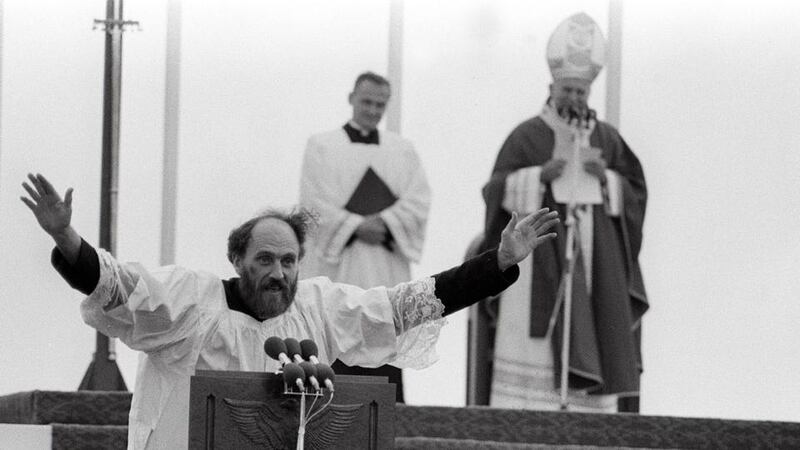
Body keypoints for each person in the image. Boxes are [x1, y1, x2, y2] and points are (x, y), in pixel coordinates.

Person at [20, 172, 558, 449]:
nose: (278, 273)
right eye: (264, 259)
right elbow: (116, 286)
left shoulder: (320, 308)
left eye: (288, 260)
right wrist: (66, 235)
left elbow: (408, 305)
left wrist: (498, 263)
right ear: (237, 259)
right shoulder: (187, 303)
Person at [481, 13, 647, 413]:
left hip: (593, 259)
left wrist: (606, 179)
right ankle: (524, 412)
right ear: (552, 87)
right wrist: (539, 176)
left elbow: (636, 188)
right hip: (538, 256)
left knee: (595, 326)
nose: (574, 98)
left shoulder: (605, 136)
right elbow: (494, 188)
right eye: (567, 89)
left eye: (580, 91)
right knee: (533, 346)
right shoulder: (527, 134)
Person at [299, 71, 431, 402]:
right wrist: (356, 226)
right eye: (367, 102)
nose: (373, 111)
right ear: (352, 99)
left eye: (380, 104)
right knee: (337, 328)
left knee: (384, 333)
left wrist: (384, 221)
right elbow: (313, 204)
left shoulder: (402, 150)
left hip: (384, 264)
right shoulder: (322, 146)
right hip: (339, 265)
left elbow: (419, 201)